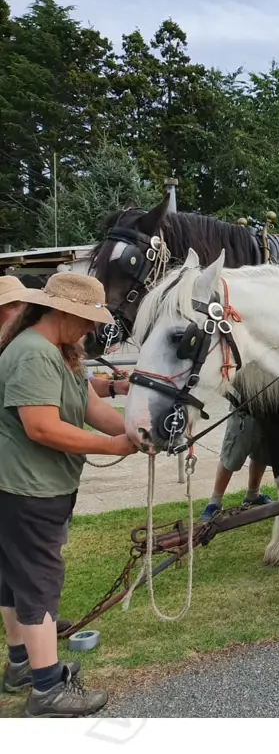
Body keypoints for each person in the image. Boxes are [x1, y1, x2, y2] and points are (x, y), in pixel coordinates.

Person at [0, 272, 137, 717]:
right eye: (86, 318)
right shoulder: (34, 352)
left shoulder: (57, 350)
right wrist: (112, 447)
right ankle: (47, 689)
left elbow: (90, 407)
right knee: (39, 584)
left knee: (15, 580)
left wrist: (137, 431)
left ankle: (21, 666)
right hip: (27, 490)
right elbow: (41, 427)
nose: (92, 327)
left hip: (30, 487)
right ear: (60, 311)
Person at [200, 408, 272, 521]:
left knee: (261, 454)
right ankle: (214, 502)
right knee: (231, 455)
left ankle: (253, 495)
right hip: (244, 412)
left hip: (270, 412)